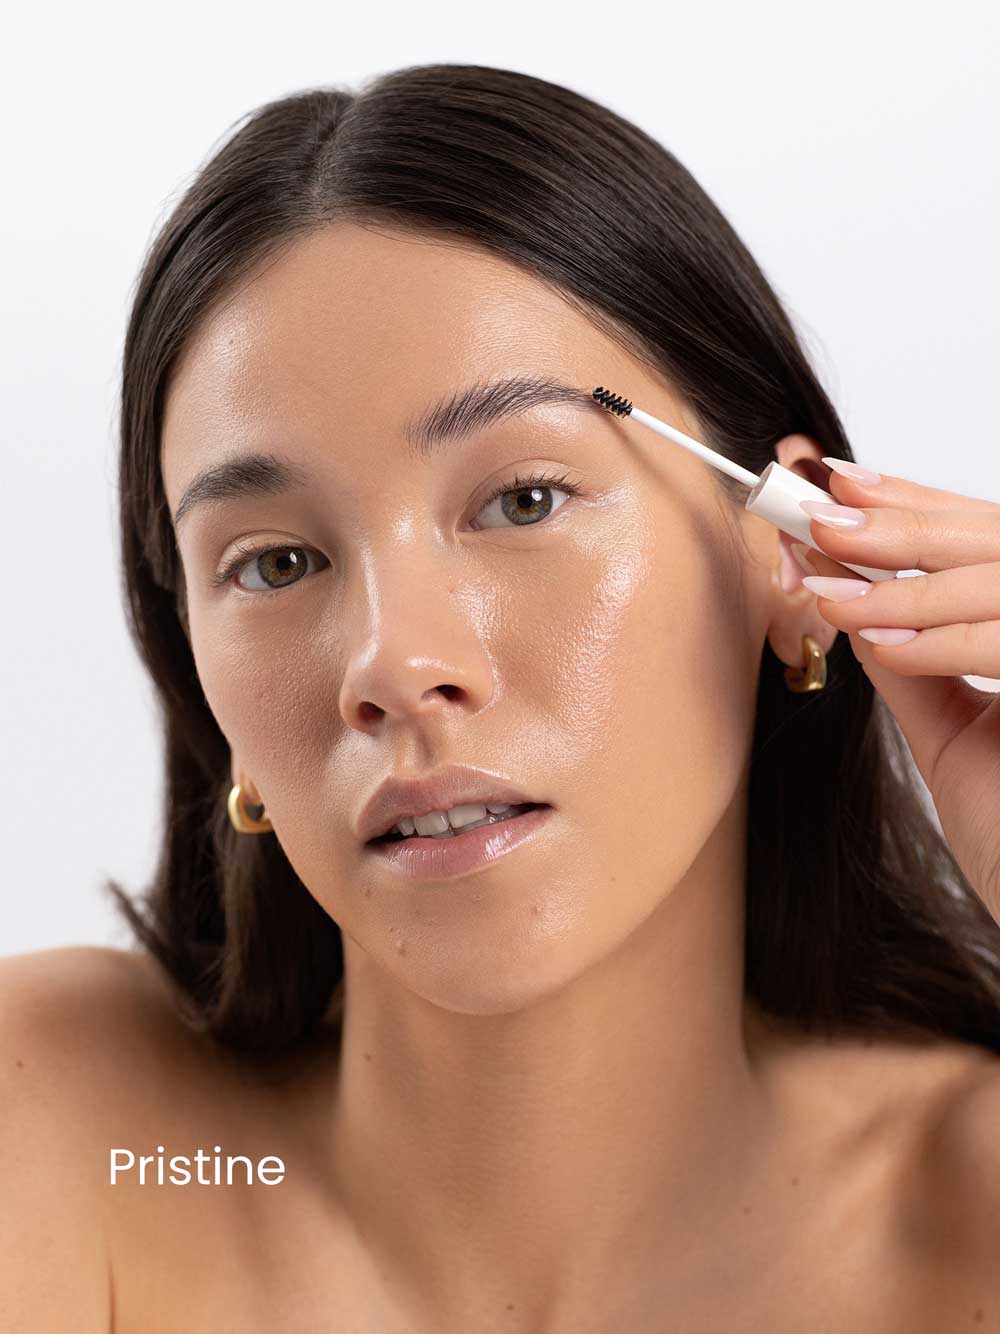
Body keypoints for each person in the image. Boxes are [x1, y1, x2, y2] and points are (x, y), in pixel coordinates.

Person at [4, 63, 1000, 1332]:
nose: (391, 663)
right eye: (276, 563)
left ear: (792, 556)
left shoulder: (974, 1210)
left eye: (524, 499)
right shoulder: (64, 1128)